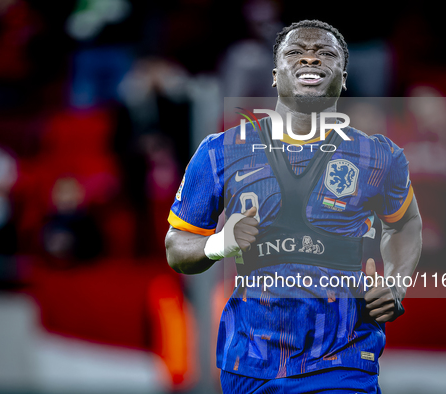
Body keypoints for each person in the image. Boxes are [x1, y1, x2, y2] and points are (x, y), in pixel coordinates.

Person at [165, 20, 422, 394]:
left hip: (342, 360)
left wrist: (395, 285)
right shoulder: (219, 150)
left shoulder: (379, 156)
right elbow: (176, 247)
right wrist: (220, 242)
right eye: (295, 52)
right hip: (250, 363)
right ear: (274, 75)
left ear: (344, 77)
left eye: (326, 53)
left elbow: (405, 224)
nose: (311, 58)